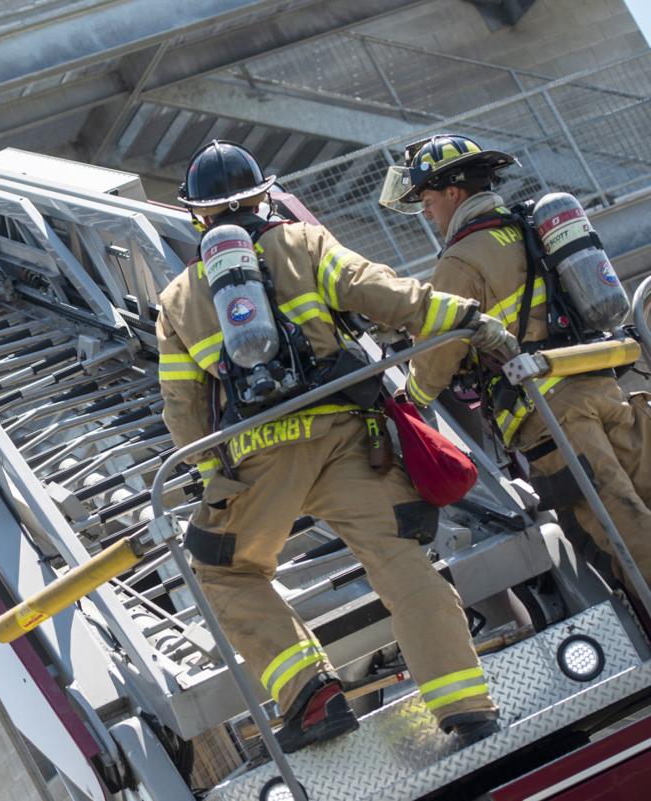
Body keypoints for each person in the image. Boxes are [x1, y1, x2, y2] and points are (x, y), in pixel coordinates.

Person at [158, 140, 511, 753]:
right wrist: (467, 319)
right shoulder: (304, 244)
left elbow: (184, 412)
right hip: (353, 440)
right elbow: (386, 295)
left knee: (225, 569)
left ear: (199, 215)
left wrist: (219, 475)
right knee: (402, 565)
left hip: (258, 458)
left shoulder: (177, 301)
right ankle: (467, 709)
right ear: (262, 196)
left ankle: (310, 696)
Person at [385, 133, 651, 584]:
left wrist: (411, 395)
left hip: (551, 415)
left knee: (621, 526)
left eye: (428, 199)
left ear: (453, 193)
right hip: (600, 385)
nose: (427, 212)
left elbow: (440, 354)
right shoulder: (526, 225)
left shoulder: (459, 261)